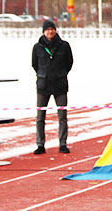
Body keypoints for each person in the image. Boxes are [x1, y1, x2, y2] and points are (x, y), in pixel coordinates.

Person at [32, 20, 73, 154]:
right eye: (47, 29)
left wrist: (60, 74)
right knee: (40, 117)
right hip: (43, 85)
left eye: (52, 29)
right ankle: (40, 144)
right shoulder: (37, 47)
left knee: (62, 116)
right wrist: (43, 74)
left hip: (60, 85)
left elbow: (69, 63)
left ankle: (62, 143)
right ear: (44, 31)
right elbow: (34, 64)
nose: (50, 31)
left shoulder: (64, 46)